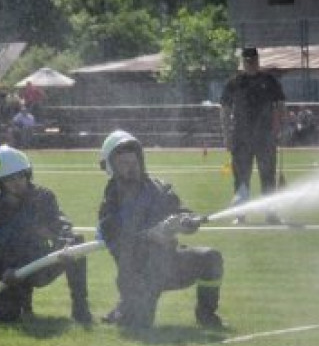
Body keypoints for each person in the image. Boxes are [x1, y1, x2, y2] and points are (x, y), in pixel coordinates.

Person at [97, 130, 224, 330]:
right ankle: (126, 308)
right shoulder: (110, 205)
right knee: (139, 326)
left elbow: (180, 209)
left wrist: (188, 220)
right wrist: (150, 236)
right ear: (111, 168)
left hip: (171, 264)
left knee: (211, 257)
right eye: (124, 164)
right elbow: (117, 243)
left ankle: (206, 315)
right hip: (139, 274)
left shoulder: (159, 188)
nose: (132, 168)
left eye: (134, 162)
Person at [0, 145, 92, 324]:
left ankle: (81, 308)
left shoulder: (43, 197)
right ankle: (23, 303)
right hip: (10, 272)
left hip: (41, 265)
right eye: (10, 179)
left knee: (77, 243)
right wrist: (3, 269)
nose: (18, 182)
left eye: (21, 175)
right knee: (3, 319)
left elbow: (61, 223)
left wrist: (65, 242)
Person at [219, 46, 285, 224]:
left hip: (265, 137)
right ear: (243, 62)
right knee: (241, 178)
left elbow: (280, 105)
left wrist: (278, 128)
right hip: (241, 138)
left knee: (268, 177)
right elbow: (225, 109)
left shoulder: (269, 80)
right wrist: (226, 135)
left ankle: (271, 214)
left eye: (253, 61)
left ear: (258, 60)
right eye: (247, 61)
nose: (251, 64)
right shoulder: (234, 83)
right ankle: (240, 215)